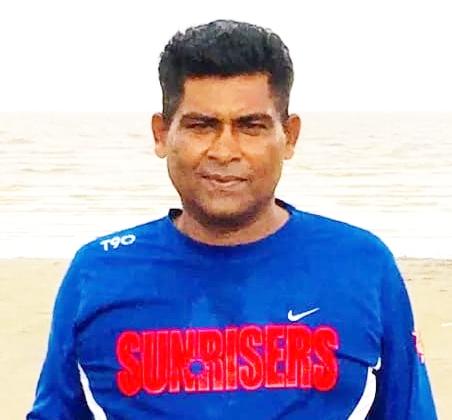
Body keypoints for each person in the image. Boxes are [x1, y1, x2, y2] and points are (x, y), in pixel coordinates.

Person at [27, 19, 437, 419]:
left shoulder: (361, 264)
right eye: (201, 126)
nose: (225, 151)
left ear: (289, 136)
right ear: (161, 134)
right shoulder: (98, 273)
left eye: (251, 126)